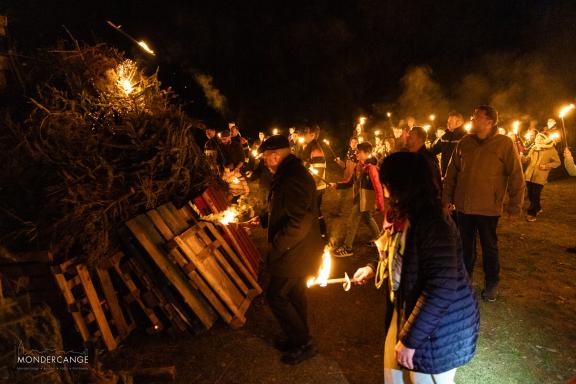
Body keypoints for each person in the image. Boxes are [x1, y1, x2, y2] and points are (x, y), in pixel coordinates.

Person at [353, 152, 479, 384]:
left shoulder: (433, 222)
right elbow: (395, 249)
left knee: (422, 379)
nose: (384, 186)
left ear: (403, 183)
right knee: (394, 376)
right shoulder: (406, 212)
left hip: (438, 327)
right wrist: (373, 267)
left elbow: (441, 288)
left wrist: (411, 340)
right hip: (408, 310)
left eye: (387, 181)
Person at [249, 135, 323, 365]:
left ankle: (303, 343)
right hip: (297, 248)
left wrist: (278, 247)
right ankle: (298, 337)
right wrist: (262, 219)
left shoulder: (292, 178)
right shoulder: (288, 174)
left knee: (276, 295)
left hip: (296, 250)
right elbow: (284, 208)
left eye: (265, 157)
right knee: (294, 293)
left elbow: (299, 220)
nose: (264, 161)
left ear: (275, 155)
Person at [442, 105, 525, 302]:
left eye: (476, 117)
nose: (472, 120)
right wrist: (446, 199)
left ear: (489, 121)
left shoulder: (504, 144)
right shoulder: (464, 142)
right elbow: (451, 174)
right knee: (465, 247)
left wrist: (515, 204)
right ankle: (464, 281)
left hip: (489, 208)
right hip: (464, 207)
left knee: (490, 247)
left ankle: (492, 283)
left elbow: (516, 175)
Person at [332, 141, 385, 257]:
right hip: (360, 197)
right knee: (367, 219)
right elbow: (350, 181)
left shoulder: (371, 168)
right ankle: (380, 240)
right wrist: (337, 185)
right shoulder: (359, 166)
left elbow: (377, 186)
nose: (356, 154)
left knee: (353, 220)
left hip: (366, 198)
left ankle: (348, 247)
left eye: (359, 152)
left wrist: (379, 204)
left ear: (367, 153)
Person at [522, 132, 561, 221]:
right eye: (537, 138)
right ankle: (538, 208)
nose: (538, 139)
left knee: (535, 195)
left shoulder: (551, 149)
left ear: (544, 139)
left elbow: (557, 162)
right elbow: (527, 159)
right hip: (529, 175)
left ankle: (531, 214)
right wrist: (522, 157)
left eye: (540, 138)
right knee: (531, 195)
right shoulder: (534, 148)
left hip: (540, 176)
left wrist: (546, 166)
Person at [301, 125, 329, 240]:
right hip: (310, 186)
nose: (304, 135)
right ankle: (318, 234)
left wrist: (310, 187)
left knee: (315, 210)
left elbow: (318, 170)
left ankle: (321, 234)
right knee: (313, 210)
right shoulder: (309, 147)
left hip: (315, 187)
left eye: (306, 132)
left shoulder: (316, 149)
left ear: (312, 135)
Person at [430, 111, 467, 178]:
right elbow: (433, 151)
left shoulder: (465, 137)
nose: (447, 123)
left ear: (458, 122)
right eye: (448, 121)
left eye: (450, 121)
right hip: (445, 174)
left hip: (458, 177)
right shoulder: (445, 136)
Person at [407, 126, 442, 193]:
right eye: (409, 136)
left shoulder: (427, 158)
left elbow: (435, 183)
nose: (408, 138)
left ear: (420, 139)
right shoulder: (409, 156)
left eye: (411, 137)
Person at [331, 136, 359, 217]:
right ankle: (338, 211)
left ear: (358, 143)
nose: (354, 144)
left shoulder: (358, 154)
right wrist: (339, 161)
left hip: (354, 178)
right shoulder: (349, 152)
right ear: (350, 143)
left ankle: (357, 214)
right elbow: (345, 166)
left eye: (355, 142)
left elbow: (358, 167)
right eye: (352, 142)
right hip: (346, 177)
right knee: (342, 194)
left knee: (356, 197)